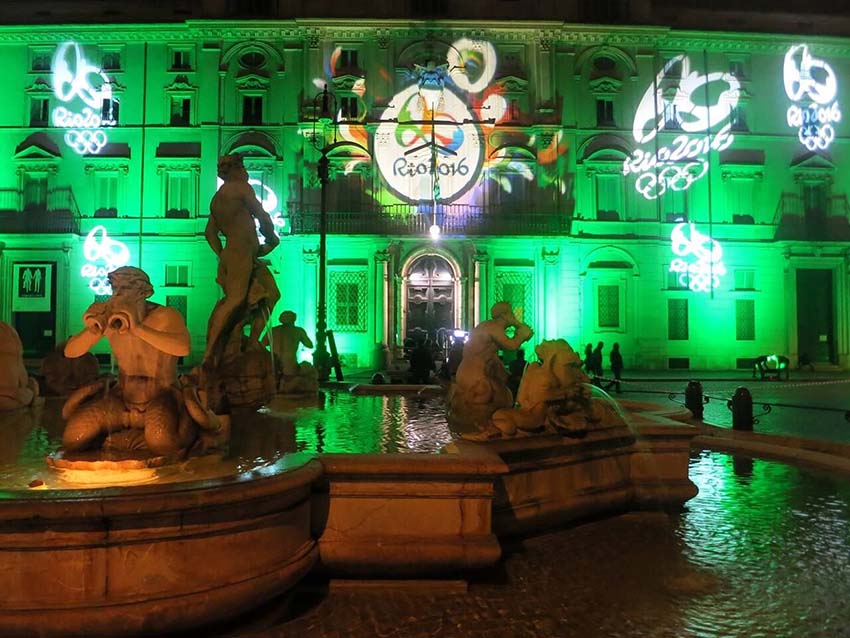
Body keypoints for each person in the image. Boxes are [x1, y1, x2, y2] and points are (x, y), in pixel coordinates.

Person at [61, 267, 196, 455]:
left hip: (161, 394)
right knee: (73, 438)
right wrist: (93, 330)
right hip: (122, 398)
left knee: (161, 442)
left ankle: (186, 432)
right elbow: (71, 352)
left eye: (124, 288)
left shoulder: (165, 316)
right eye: (115, 288)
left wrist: (138, 328)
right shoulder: (111, 319)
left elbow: (183, 348)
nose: (117, 294)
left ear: (144, 292)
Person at [203, 154, 280, 368]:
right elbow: (262, 215)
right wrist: (272, 238)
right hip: (241, 252)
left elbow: (209, 233)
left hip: (240, 253)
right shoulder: (241, 188)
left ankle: (252, 340)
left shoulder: (217, 199)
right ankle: (209, 353)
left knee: (271, 294)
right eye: (242, 167)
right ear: (235, 170)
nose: (246, 171)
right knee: (235, 301)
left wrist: (223, 254)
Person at [266, 311, 313, 378]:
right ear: (294, 319)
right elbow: (310, 345)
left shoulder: (273, 330)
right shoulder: (298, 331)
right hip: (290, 365)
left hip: (274, 364)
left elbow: (262, 344)